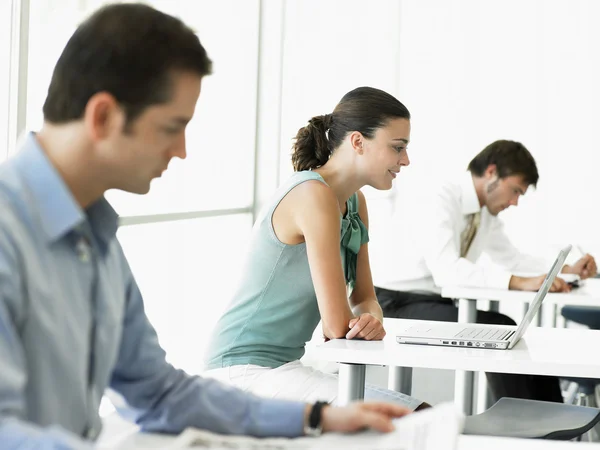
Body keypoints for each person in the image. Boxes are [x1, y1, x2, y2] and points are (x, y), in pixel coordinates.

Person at [0, 4, 412, 449]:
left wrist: (316, 417)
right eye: (172, 127)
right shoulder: (10, 233)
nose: (181, 151)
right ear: (102, 117)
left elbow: (159, 393)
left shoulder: (95, 238)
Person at [204, 86, 428, 411]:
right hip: (242, 371)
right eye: (397, 148)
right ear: (357, 142)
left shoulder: (355, 202)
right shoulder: (313, 194)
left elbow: (365, 297)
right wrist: (362, 319)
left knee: (415, 414)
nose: (405, 160)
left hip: (283, 366)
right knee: (414, 416)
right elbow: (336, 326)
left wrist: (370, 316)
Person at [373, 139, 597, 402]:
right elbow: (448, 271)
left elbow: (512, 259)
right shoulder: (439, 197)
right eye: (515, 191)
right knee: (500, 327)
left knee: (515, 332)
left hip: (432, 301)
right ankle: (522, 423)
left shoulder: (483, 213)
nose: (514, 202)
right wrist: (519, 282)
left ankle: (554, 419)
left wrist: (567, 269)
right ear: (491, 172)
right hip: (395, 303)